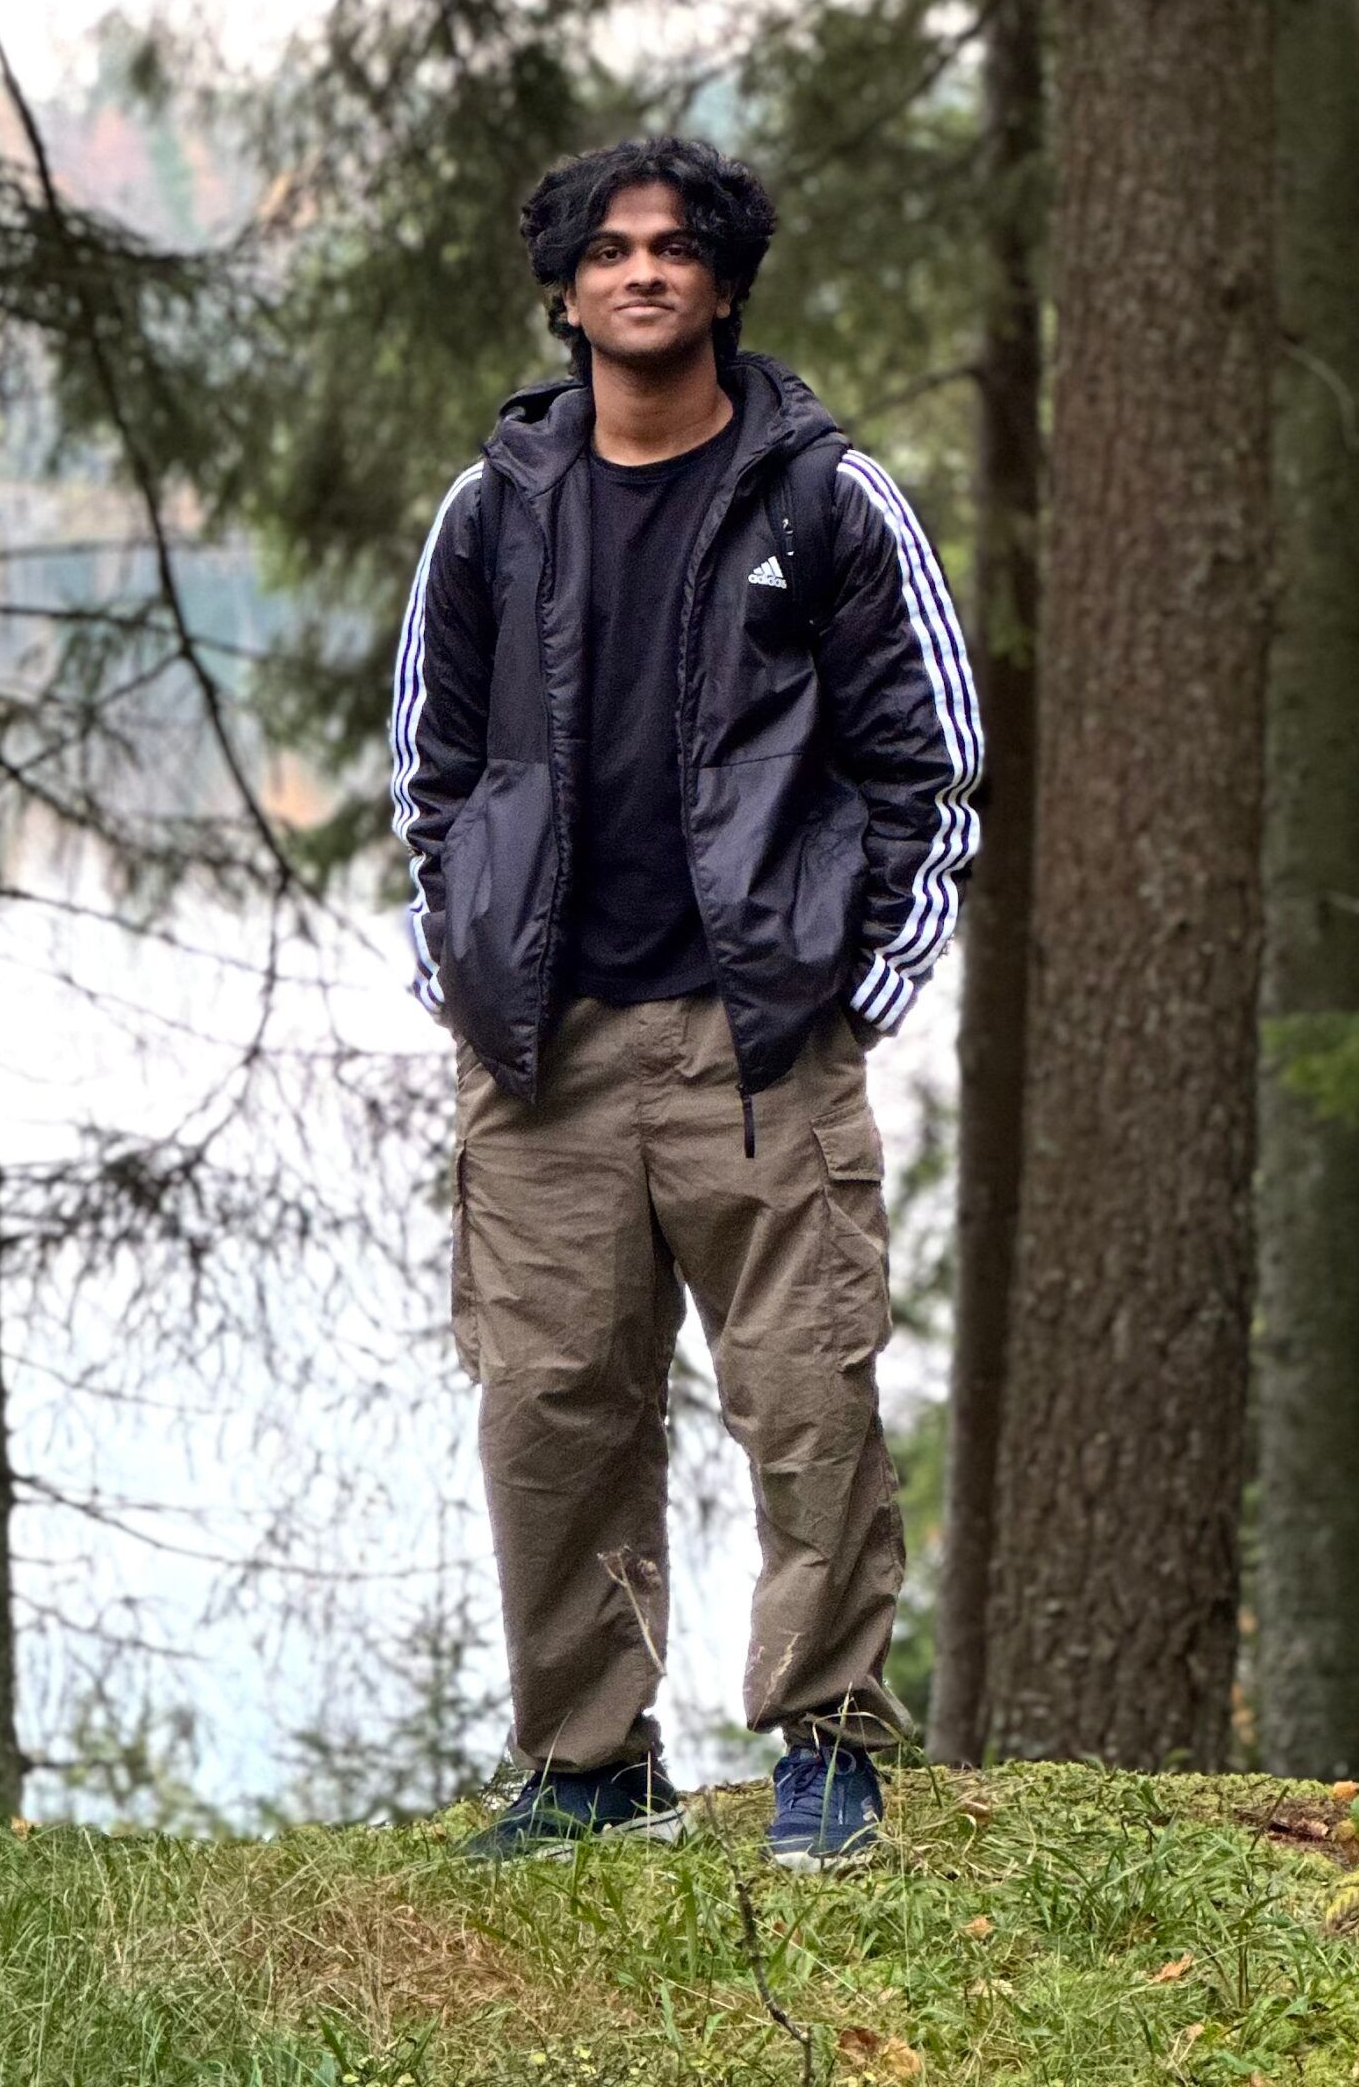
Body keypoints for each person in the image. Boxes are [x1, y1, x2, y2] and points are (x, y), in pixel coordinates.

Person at [389, 134, 984, 1868]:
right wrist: (466, 981)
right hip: (545, 1059)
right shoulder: (496, 508)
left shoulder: (825, 499)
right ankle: (587, 1766)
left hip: (760, 1050)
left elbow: (929, 769)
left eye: (673, 248)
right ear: (565, 289)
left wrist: (847, 994)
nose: (640, 272)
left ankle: (829, 1748)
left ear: (722, 284)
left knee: (807, 1398)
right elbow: (429, 775)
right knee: (551, 1409)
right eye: (607, 250)